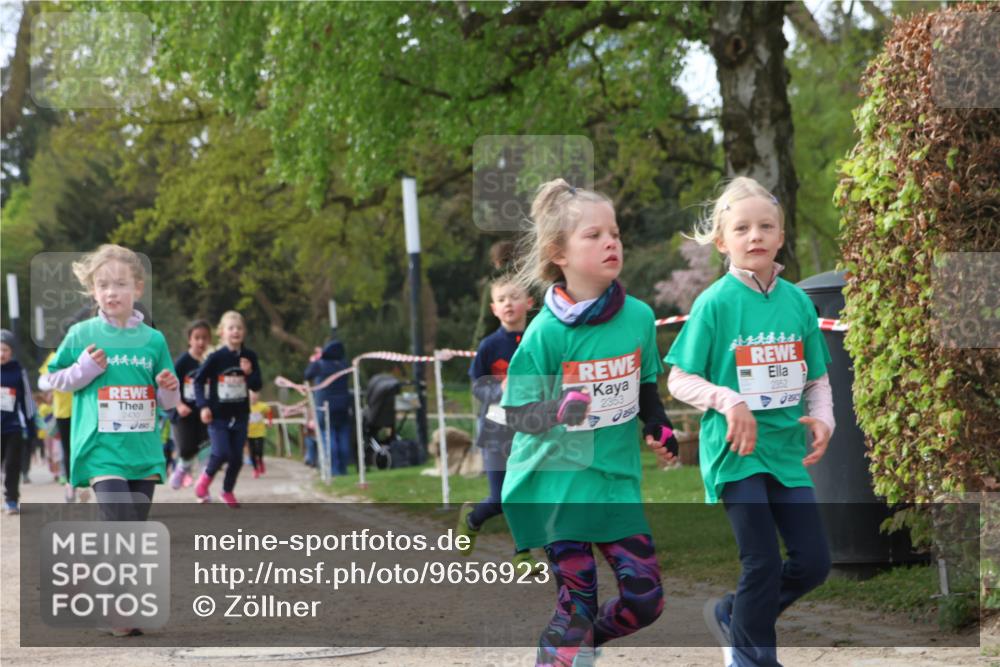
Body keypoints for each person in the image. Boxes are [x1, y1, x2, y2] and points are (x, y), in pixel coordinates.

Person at [500, 179, 679, 666]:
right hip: (558, 482)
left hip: (616, 480)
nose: (611, 243)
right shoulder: (546, 333)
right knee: (577, 606)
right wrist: (557, 410)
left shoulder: (639, 316)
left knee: (647, 601)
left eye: (615, 234)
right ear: (559, 253)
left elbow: (644, 386)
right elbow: (516, 413)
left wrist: (657, 425)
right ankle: (563, 648)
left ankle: (575, 647)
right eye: (594, 235)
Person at [665, 177, 835, 667]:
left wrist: (824, 420)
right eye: (742, 228)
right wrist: (727, 400)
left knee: (813, 563)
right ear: (723, 242)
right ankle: (752, 657)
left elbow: (817, 380)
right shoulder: (715, 302)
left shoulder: (798, 302)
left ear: (781, 237)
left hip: (785, 452)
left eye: (766, 226)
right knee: (760, 562)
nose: (755, 235)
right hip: (735, 455)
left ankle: (734, 616)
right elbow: (679, 378)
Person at [43, 244, 180, 528]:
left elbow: (169, 402)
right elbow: (51, 379)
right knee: (124, 522)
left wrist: (168, 387)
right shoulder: (82, 333)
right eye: (103, 285)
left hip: (142, 449)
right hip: (101, 448)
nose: (111, 292)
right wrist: (85, 369)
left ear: (138, 289)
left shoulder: (154, 340)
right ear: (93, 290)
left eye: (120, 284)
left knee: (133, 527)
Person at [456, 276, 543, 574]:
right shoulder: (490, 346)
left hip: (529, 429)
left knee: (526, 492)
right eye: (502, 299)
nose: (509, 303)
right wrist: (501, 390)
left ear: (528, 303)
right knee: (501, 497)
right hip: (496, 431)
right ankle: (472, 518)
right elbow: (478, 387)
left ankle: (522, 553)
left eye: (514, 297)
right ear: (494, 309)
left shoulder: (537, 338)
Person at [193, 310, 262, 508]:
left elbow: (257, 386)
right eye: (231, 328)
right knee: (221, 452)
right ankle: (204, 482)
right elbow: (198, 381)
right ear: (222, 332)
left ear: (244, 332)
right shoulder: (216, 358)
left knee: (237, 458)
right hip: (218, 415)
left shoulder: (250, 357)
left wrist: (248, 373)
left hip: (240, 414)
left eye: (239, 328)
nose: (236, 331)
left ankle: (227, 490)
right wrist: (203, 406)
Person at [168, 319, 212, 489]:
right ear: (190, 340)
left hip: (203, 413)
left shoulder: (209, 361)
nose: (201, 342)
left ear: (209, 340)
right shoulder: (182, 362)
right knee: (187, 448)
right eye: (197, 338)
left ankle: (202, 488)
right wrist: (179, 405)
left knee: (206, 450)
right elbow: (170, 385)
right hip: (183, 413)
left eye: (205, 338)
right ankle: (182, 468)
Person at [1, 329, 37, 515]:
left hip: (13, 427)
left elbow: (28, 401)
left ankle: (11, 500)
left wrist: (31, 428)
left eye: (5, 349)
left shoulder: (18, 371)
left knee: (12, 465)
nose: (1, 354)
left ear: (11, 351)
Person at [304, 339, 352, 475]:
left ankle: (333, 470)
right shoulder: (344, 365)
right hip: (343, 407)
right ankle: (343, 469)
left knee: (328, 438)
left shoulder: (319, 365)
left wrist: (315, 360)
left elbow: (307, 375)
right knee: (343, 438)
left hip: (325, 408)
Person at [247, 391, 271, 477]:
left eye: (255, 396)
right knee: (252, 452)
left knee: (259, 451)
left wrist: (269, 421)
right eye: (251, 397)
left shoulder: (262, 406)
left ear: (258, 397)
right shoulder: (245, 406)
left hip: (260, 432)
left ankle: (260, 462)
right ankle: (255, 469)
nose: (253, 398)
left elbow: (269, 411)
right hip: (249, 433)